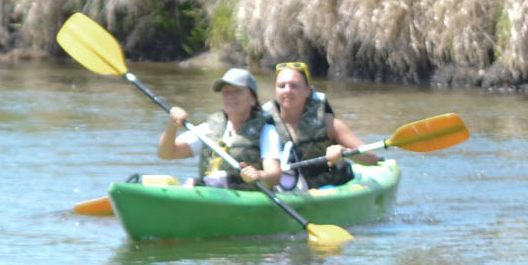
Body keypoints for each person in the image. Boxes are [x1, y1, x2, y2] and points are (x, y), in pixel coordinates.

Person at [156, 67, 283, 190]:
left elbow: (275, 175)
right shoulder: (209, 128)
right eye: (226, 92)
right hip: (212, 197)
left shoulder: (267, 130)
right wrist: (172, 127)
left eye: (237, 91)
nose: (230, 97)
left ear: (253, 99)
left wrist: (259, 175)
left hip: (244, 200)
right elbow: (166, 153)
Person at [265, 61, 376, 190]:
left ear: (308, 91)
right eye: (282, 86)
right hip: (288, 191)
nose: (287, 90)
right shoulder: (265, 124)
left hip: (330, 189)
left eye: (294, 86)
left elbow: (371, 158)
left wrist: (344, 151)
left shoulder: (328, 123)